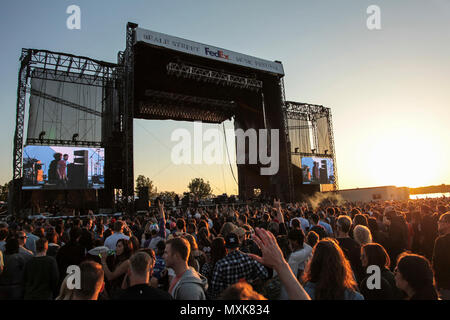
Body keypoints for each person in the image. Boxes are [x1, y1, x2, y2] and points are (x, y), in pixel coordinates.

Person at [208, 232, 269, 300]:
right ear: (238, 245)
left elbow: (215, 289)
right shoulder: (249, 258)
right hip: (246, 296)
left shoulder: (220, 264)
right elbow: (264, 274)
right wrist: (251, 281)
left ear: (226, 248)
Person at [335, 215, 364, 283]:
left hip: (337, 278)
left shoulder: (333, 244)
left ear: (338, 228)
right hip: (352, 279)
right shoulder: (356, 244)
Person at [432, 212, 450, 299]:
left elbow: (436, 264)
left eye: (440, 221)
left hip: (445, 283)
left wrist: (437, 282)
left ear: (447, 224)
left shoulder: (441, 241)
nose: (438, 223)